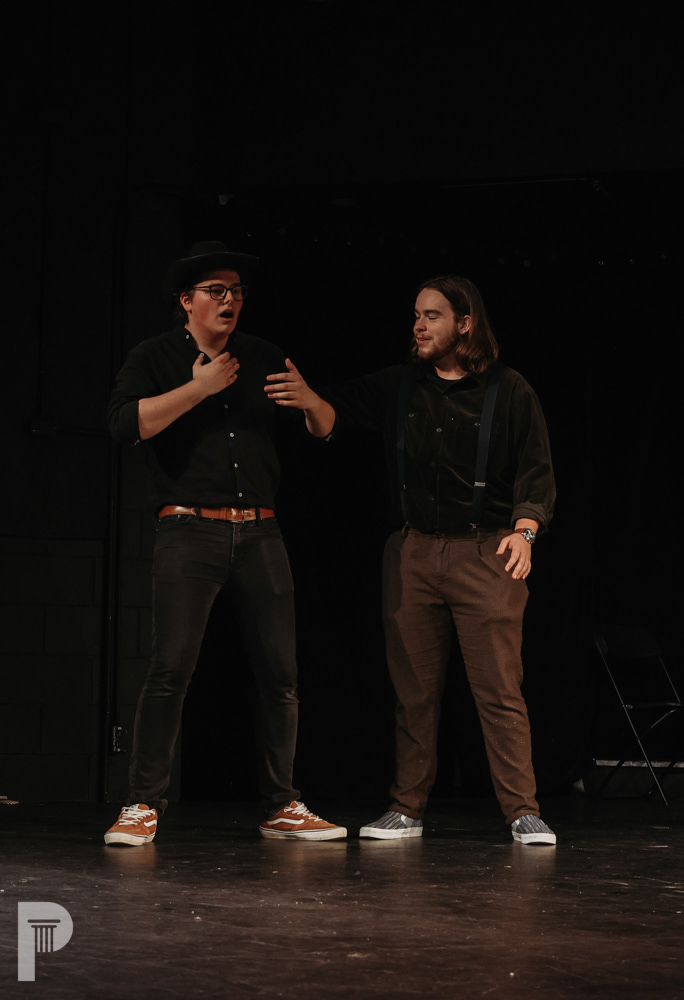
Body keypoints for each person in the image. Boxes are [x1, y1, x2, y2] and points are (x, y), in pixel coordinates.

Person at [264, 274, 556, 845]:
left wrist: (526, 531)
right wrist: (309, 399)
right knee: (414, 692)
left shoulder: (509, 389)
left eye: (433, 316)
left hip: (486, 550)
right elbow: (334, 413)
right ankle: (407, 808)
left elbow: (537, 471)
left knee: (498, 691)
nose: (419, 326)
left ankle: (523, 810)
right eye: (417, 316)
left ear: (465, 324)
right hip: (413, 552)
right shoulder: (401, 385)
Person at [105, 240, 346, 845]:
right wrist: (200, 388)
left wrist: (313, 402)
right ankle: (142, 803)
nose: (229, 300)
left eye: (236, 291)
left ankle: (282, 804)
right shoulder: (155, 356)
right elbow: (126, 425)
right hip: (189, 528)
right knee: (170, 669)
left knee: (281, 675)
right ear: (186, 301)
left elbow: (324, 428)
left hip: (261, 530)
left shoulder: (262, 355)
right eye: (216, 291)